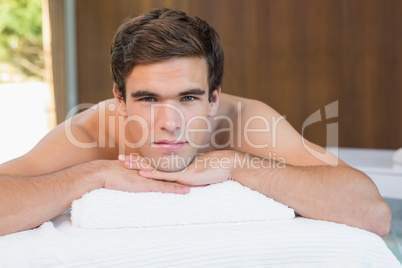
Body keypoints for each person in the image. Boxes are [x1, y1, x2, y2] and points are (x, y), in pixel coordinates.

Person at [0, 8, 391, 236]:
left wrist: (237, 164)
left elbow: (374, 213)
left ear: (213, 99)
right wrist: (94, 174)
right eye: (148, 99)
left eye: (188, 98)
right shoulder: (91, 131)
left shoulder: (246, 122)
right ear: (119, 100)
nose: (170, 123)